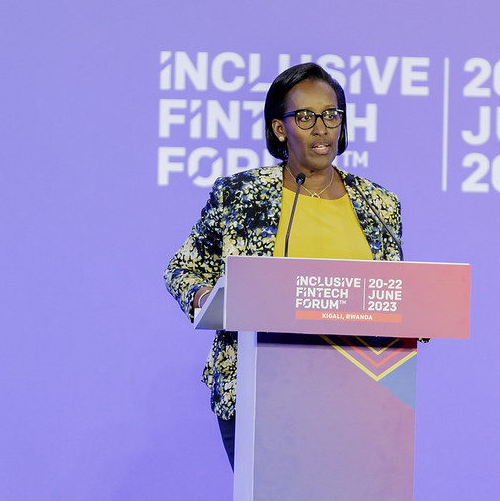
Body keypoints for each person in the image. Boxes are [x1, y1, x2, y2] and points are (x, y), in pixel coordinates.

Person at [163, 62, 403, 469]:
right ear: (279, 128)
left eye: (331, 115)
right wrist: (207, 297)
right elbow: (182, 269)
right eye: (306, 117)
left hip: (359, 395)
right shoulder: (240, 195)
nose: (322, 128)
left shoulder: (379, 204)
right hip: (260, 391)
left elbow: (397, 296)